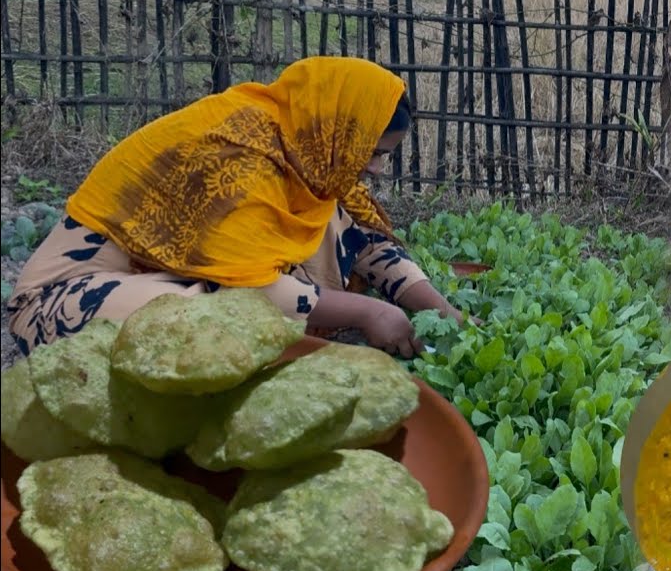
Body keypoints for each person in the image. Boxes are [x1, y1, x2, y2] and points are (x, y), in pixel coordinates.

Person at [5, 56, 469, 359]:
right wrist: (370, 313)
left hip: (163, 274)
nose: (375, 171)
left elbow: (365, 241)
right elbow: (248, 294)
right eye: (373, 154)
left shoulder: (304, 152)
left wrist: (444, 312)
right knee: (215, 320)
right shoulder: (240, 154)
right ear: (340, 135)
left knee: (332, 220)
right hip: (62, 303)